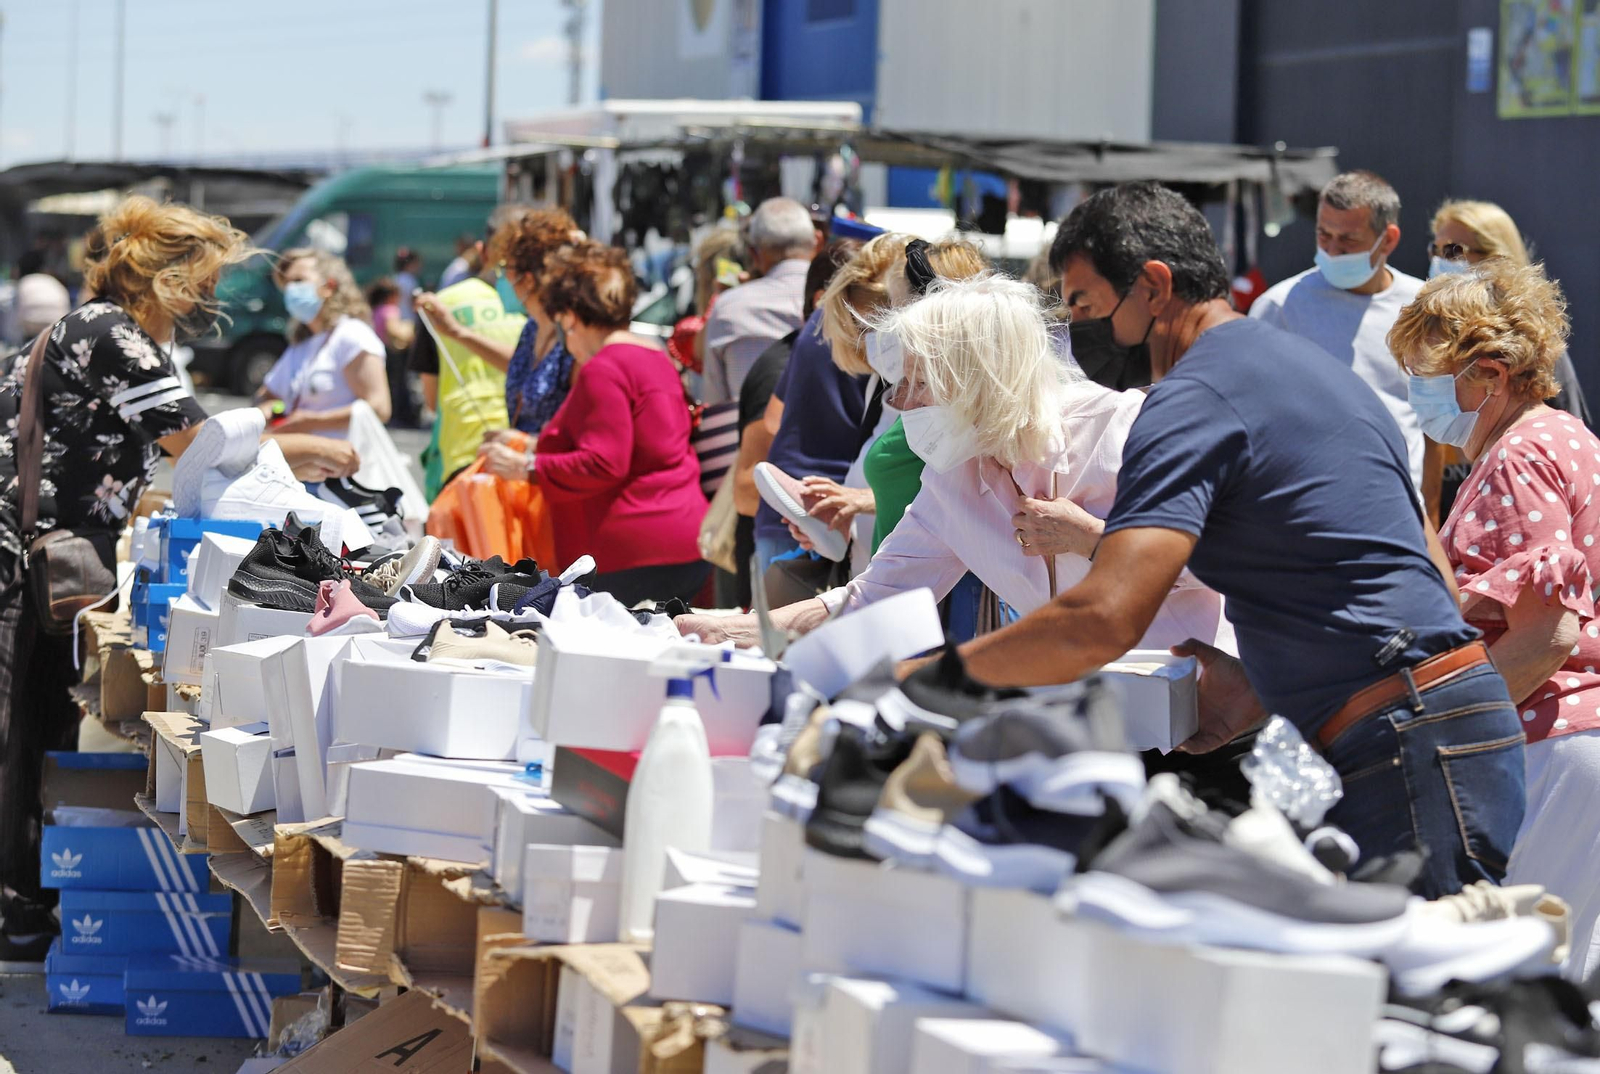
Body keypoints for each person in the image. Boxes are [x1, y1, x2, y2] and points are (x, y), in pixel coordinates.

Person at [925, 182, 1524, 899]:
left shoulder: (1192, 398)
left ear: (1152, 286)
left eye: (1084, 303)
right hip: (1438, 726)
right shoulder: (1312, 372)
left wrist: (930, 682)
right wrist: (1266, 686)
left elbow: (1104, 617)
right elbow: (1427, 581)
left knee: (1419, 997)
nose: (1077, 327)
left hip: (1404, 742)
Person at [678, 274, 1233, 659]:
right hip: (1101, 709)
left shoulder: (1127, 430)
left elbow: (1227, 566)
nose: (902, 402)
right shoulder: (953, 477)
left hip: (1200, 712)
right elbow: (874, 596)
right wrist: (738, 627)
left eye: (922, 382)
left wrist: (1096, 541)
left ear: (981, 382)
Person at [0, 197, 250, 957]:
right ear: (167, 282)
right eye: (203, 282)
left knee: (34, 731)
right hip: (20, 563)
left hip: (35, 561)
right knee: (14, 738)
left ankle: (25, 904)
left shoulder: (96, 327)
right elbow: (195, 438)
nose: (211, 302)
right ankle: (14, 909)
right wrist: (297, 451)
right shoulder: (112, 333)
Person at [1389, 258, 1600, 977]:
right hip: (1575, 743)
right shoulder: (1565, 436)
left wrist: (1449, 732)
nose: (1417, 395)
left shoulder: (1519, 455)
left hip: (1550, 742)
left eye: (1426, 374)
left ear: (1488, 373)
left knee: (1510, 983)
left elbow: (1548, 633)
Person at [486, 243, 707, 602]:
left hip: (630, 554)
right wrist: (530, 444)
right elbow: (641, 444)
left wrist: (527, 466)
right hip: (683, 542)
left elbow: (605, 461)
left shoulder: (603, 369)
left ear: (569, 316)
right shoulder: (655, 357)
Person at [1250, 171, 1425, 495]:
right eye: (1323, 235)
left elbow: (1434, 424)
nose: (1332, 250)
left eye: (1347, 240)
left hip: (1402, 507)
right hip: (1311, 504)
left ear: (1388, 239)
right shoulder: (1279, 307)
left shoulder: (1423, 307)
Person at [731, 238, 860, 605]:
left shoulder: (814, 328)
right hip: (836, 518)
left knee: (770, 649)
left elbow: (772, 422)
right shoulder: (873, 330)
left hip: (784, 512)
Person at [419, 208, 584, 438]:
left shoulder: (573, 336)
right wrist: (458, 333)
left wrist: (526, 447)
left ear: (527, 279)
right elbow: (519, 366)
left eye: (506, 268)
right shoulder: (533, 330)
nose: (502, 277)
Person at [1429, 199, 1591, 425]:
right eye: (1434, 249)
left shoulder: (1533, 338)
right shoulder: (1431, 331)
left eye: (1452, 250)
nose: (1438, 261)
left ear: (1495, 257)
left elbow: (1568, 421)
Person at [407, 208, 526, 497]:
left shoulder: (442, 304)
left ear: (481, 250)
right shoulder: (543, 310)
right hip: (527, 452)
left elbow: (432, 399)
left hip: (462, 452)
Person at [257, 249, 392, 437]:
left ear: (328, 286)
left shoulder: (352, 335)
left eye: (298, 281)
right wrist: (269, 410)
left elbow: (379, 408)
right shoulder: (302, 344)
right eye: (286, 283)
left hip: (346, 462)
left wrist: (312, 421)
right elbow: (268, 395)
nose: (290, 290)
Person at [701, 198, 815, 406]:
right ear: (817, 242)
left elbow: (715, 400)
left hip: (746, 434)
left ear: (755, 254)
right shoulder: (844, 300)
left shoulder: (728, 307)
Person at [393, 247, 422, 321]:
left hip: (398, 318)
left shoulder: (396, 278)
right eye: (416, 262)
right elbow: (414, 302)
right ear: (410, 264)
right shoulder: (410, 280)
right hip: (409, 320)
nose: (419, 266)